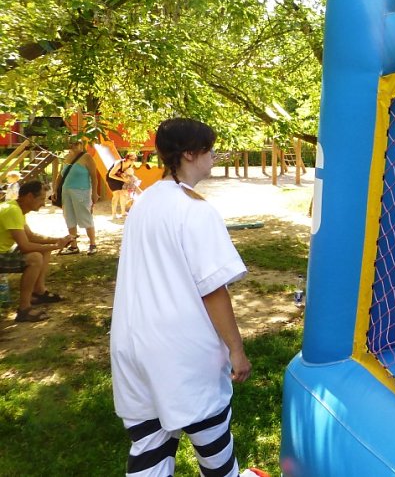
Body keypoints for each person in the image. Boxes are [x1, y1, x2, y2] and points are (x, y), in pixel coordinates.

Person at [110, 118, 251, 477]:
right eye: (210, 149)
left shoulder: (143, 204)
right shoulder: (195, 209)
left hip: (132, 345)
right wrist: (236, 349)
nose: (213, 156)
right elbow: (213, 289)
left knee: (149, 453)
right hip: (183, 353)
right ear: (190, 153)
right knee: (216, 457)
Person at [0, 180, 73, 322]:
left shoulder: (16, 208)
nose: (43, 204)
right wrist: (57, 246)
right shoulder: (13, 211)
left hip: (4, 251)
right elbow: (25, 246)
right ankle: (24, 309)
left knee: (43, 251)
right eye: (41, 199)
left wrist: (58, 240)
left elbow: (32, 237)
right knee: (34, 258)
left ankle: (38, 292)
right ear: (29, 197)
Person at [53, 141, 98, 255]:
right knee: (69, 217)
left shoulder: (87, 157)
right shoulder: (67, 157)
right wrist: (55, 189)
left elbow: (94, 176)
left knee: (85, 216)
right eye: (71, 143)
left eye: (76, 143)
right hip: (66, 191)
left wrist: (94, 193)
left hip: (81, 191)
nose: (73, 145)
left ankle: (92, 244)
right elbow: (61, 175)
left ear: (81, 145)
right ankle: (73, 246)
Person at [108, 153, 138, 219]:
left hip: (121, 178)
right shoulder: (119, 164)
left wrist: (130, 179)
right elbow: (110, 174)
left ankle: (123, 213)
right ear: (126, 158)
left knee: (123, 195)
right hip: (112, 179)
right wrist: (123, 179)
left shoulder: (130, 164)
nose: (133, 161)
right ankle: (114, 214)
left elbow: (127, 173)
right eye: (132, 159)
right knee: (116, 195)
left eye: (135, 159)